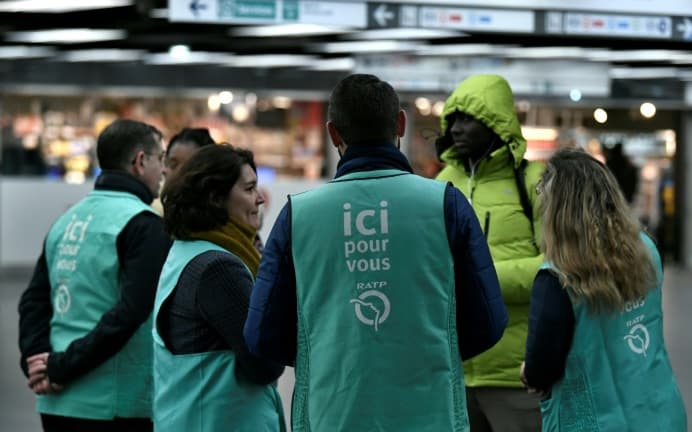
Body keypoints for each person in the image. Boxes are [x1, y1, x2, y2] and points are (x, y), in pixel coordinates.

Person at [243, 74, 508, 432]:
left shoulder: (299, 216)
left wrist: (328, 352)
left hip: (332, 412)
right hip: (430, 412)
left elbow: (261, 333)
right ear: (400, 123)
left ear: (334, 134)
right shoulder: (445, 205)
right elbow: (489, 323)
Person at [17, 119, 171, 431]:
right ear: (140, 161)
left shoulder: (68, 219)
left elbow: (33, 300)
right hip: (112, 404)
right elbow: (131, 312)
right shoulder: (144, 225)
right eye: (161, 159)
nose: (164, 171)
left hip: (57, 400)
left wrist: (37, 363)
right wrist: (61, 368)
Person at [521, 148, 687, 431]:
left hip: (595, 421)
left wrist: (528, 372)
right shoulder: (645, 249)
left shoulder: (557, 276)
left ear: (557, 209)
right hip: (659, 411)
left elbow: (541, 368)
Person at [435, 73, 545, 432]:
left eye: (467, 119)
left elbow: (558, 267)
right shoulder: (439, 186)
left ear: (496, 122)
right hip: (455, 372)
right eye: (452, 120)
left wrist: (483, 279)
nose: (455, 129)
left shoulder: (533, 183)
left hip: (517, 374)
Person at [154, 144, 285, 431]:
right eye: (249, 189)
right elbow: (265, 364)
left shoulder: (186, 250)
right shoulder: (218, 269)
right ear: (216, 198)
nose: (259, 200)